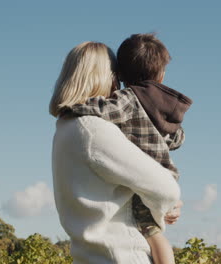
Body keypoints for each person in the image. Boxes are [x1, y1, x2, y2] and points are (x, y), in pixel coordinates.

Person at [61, 34, 192, 264]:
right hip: (120, 257)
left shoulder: (65, 127)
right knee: (155, 234)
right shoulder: (93, 129)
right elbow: (167, 190)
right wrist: (166, 205)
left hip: (88, 257)